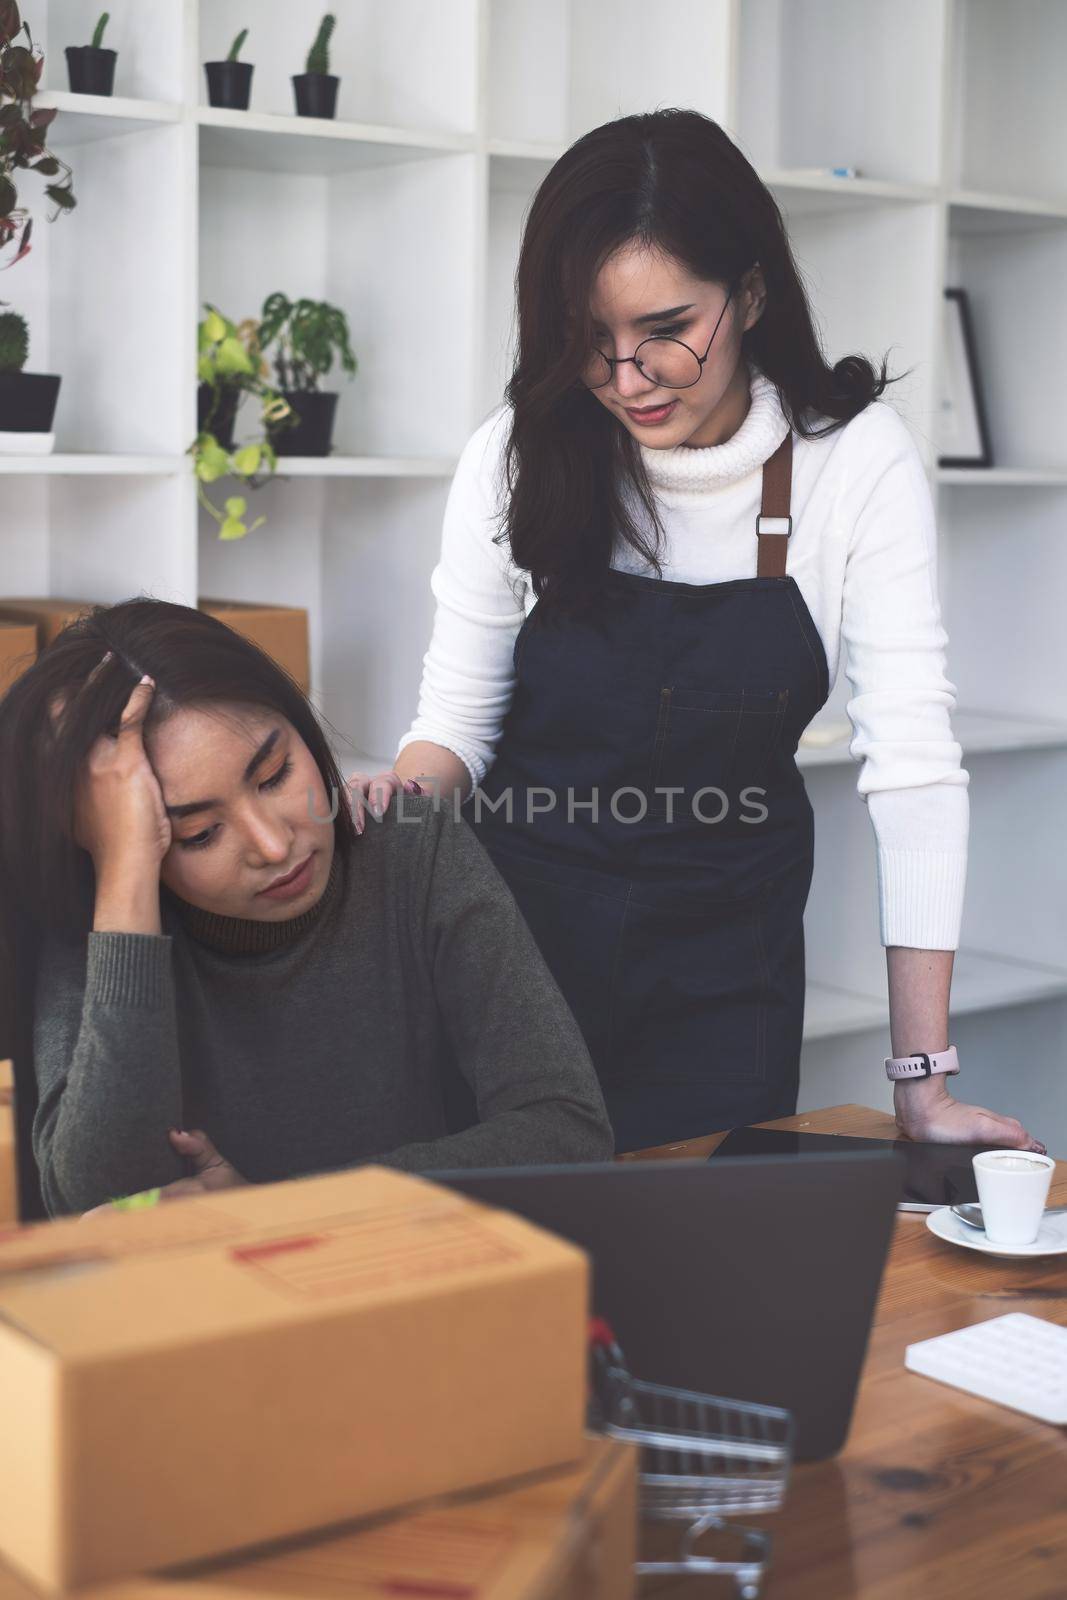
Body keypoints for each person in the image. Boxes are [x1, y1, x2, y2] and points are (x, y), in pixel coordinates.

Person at [350, 107, 1045, 1157]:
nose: (626, 378)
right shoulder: (517, 453)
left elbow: (911, 769)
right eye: (590, 340)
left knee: (706, 1281)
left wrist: (920, 1079)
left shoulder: (852, 464)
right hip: (511, 968)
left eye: (665, 329)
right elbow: (455, 722)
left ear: (752, 292)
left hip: (726, 973)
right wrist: (393, 808)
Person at [0, 598, 613, 1219]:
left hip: (411, 1288)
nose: (274, 845)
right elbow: (101, 1203)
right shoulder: (104, 910)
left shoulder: (407, 847)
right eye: (199, 834)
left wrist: (283, 1209)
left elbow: (567, 1129)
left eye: (274, 775)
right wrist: (126, 875)